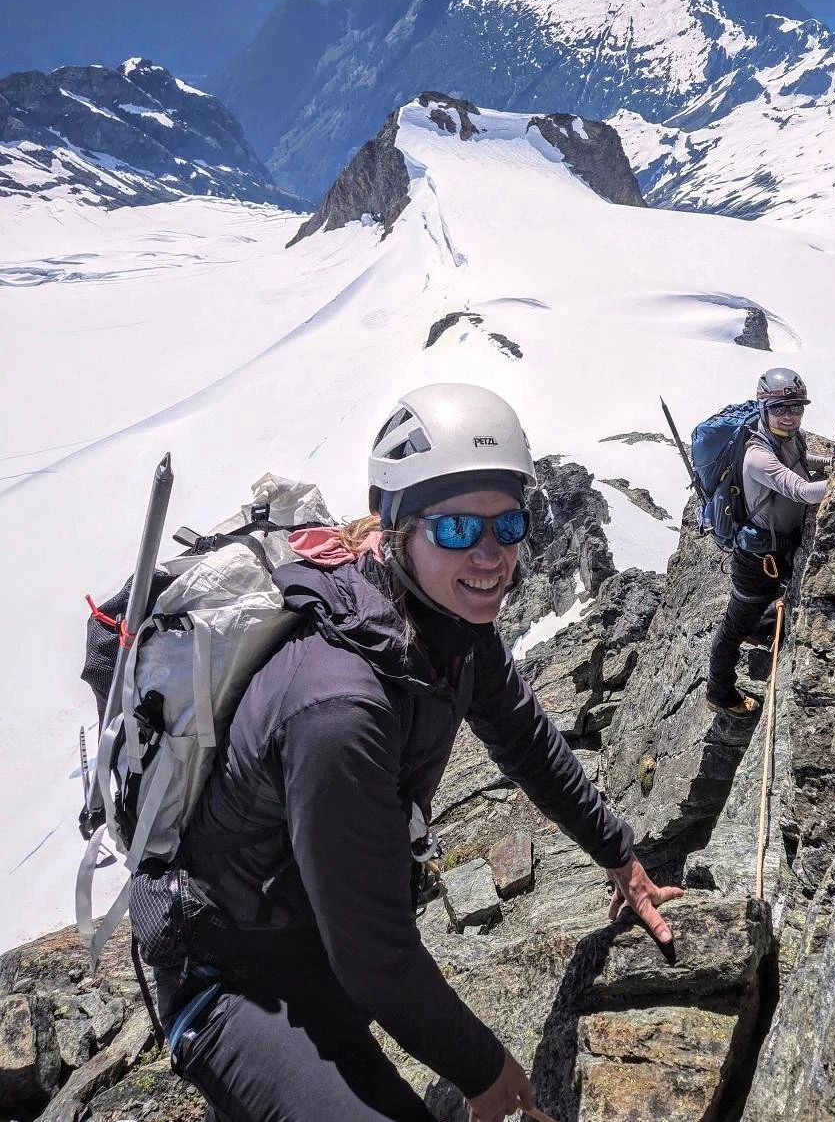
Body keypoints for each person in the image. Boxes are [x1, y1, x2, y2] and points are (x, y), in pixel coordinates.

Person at [145, 382, 681, 1122]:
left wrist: (618, 854)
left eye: (511, 524)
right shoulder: (339, 707)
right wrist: (485, 1068)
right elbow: (375, 954)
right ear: (396, 527)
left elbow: (526, 739)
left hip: (315, 946)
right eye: (458, 528)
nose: (491, 555)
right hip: (234, 980)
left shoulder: (446, 629)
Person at [705, 368, 828, 718]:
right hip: (756, 558)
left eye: (796, 407)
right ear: (764, 408)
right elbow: (802, 490)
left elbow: (803, 463)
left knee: (772, 602)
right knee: (733, 628)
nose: (789, 416)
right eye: (780, 409)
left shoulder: (788, 436)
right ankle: (720, 693)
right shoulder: (758, 455)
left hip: (779, 546)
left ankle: (761, 630)